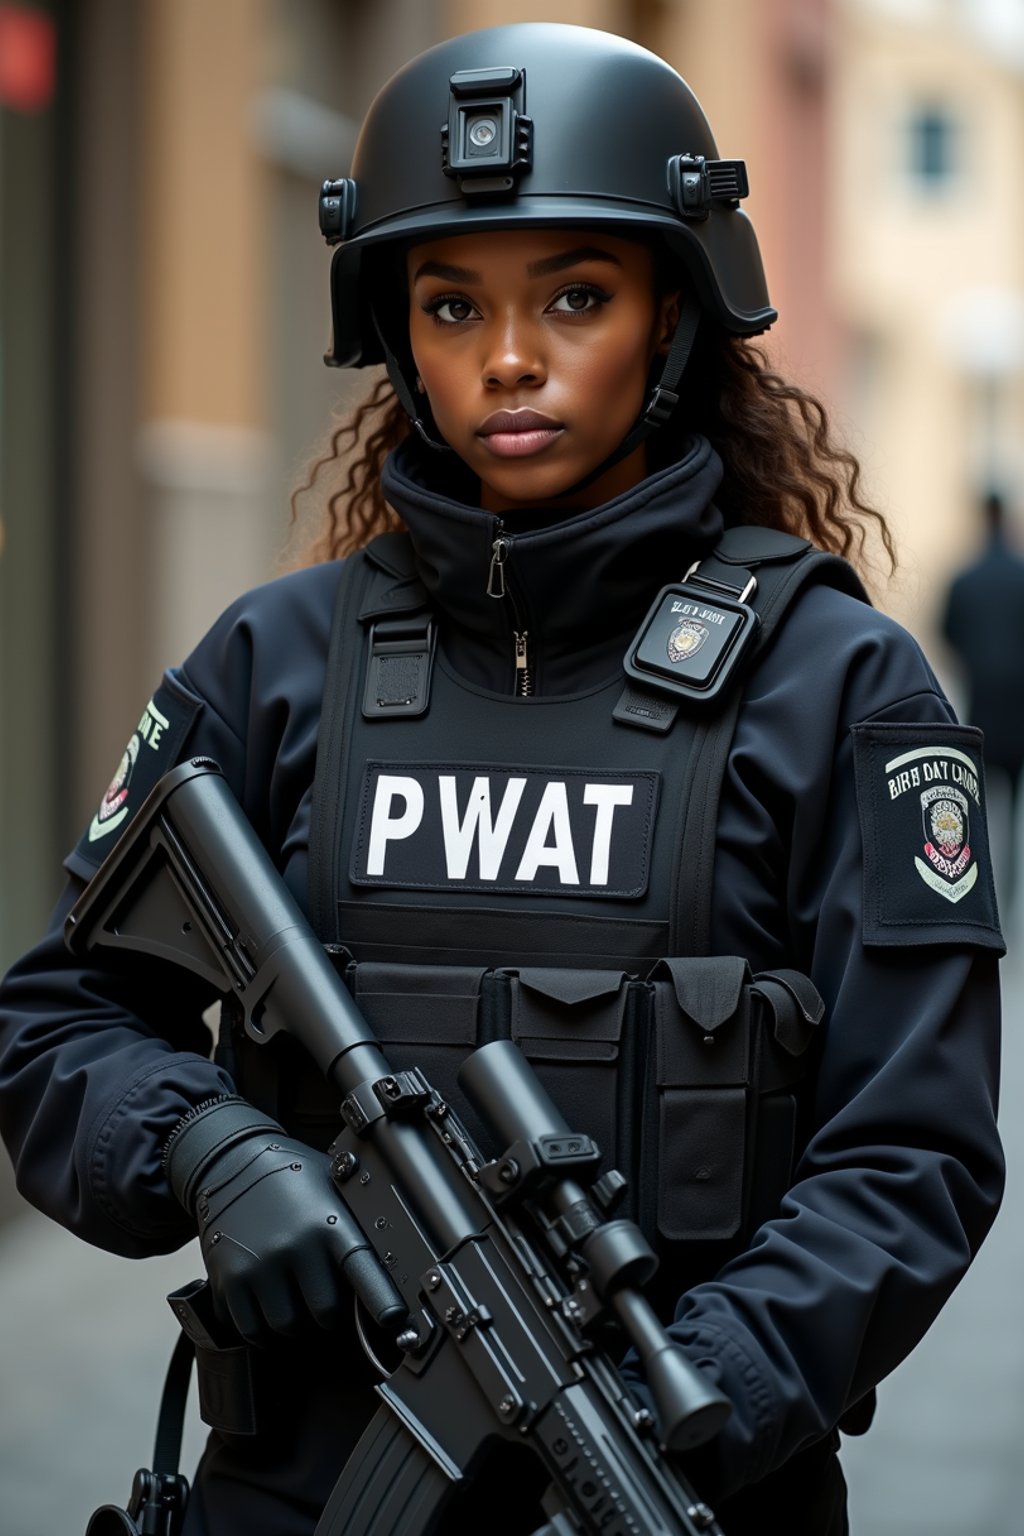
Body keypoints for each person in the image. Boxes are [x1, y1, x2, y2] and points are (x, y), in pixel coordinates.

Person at [0, 22, 1006, 1536]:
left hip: (685, 1480)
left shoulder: (834, 687)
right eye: (453, 303)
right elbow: (54, 1025)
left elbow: (914, 1148)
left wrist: (695, 1402)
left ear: (675, 317)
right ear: (399, 334)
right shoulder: (280, 664)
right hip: (300, 1491)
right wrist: (205, 1147)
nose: (510, 359)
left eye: (577, 297)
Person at [941, 487, 1024, 907]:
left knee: (975, 801)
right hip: (1019, 706)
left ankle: (979, 888)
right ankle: (1009, 892)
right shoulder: (1021, 574)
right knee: (1011, 803)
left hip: (982, 704)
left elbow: (947, 632)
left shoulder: (965, 578)